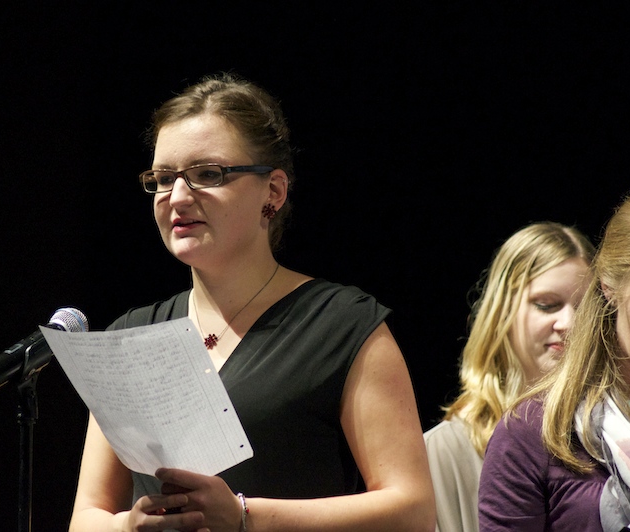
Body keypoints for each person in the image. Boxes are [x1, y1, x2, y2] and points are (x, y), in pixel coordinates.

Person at [68, 73, 435, 531]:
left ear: (273, 192)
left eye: (207, 174)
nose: (177, 197)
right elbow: (87, 517)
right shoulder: (131, 336)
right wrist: (127, 527)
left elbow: (413, 511)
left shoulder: (342, 325)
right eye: (163, 179)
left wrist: (244, 516)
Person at [479, 191, 630, 531]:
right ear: (609, 287)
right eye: (547, 305)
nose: (567, 323)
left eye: (577, 306)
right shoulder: (529, 431)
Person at [424, 222, 595, 531]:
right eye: (547, 305)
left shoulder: (605, 436)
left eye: (585, 309)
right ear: (502, 312)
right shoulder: (445, 450)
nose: (569, 323)